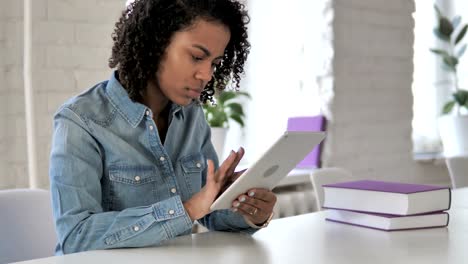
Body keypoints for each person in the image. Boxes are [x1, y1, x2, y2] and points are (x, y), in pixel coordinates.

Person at [49, 0, 277, 255]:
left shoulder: (191, 116)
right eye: (197, 57)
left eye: (213, 63)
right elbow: (76, 236)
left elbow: (209, 212)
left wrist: (249, 212)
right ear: (155, 44)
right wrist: (187, 210)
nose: (207, 74)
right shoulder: (80, 120)